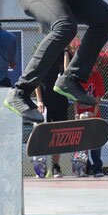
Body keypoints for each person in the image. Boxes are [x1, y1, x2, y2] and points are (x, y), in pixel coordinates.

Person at [35, 49, 71, 178]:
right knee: (43, 134)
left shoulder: (64, 55)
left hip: (60, 103)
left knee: (59, 135)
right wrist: (39, 101)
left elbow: (67, 73)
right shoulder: (43, 56)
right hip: (45, 104)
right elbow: (36, 81)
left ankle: (56, 166)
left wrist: (66, 51)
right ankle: (41, 164)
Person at [73, 66, 106, 177]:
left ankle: (97, 168)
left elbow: (97, 97)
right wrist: (77, 114)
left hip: (93, 115)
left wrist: (94, 113)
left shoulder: (96, 76)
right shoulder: (77, 77)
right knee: (82, 143)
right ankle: (84, 167)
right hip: (82, 115)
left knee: (95, 142)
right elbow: (75, 98)